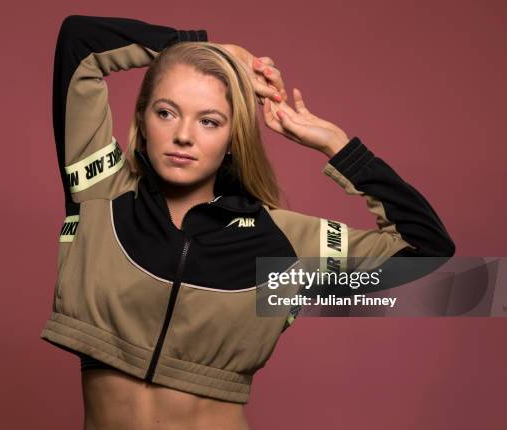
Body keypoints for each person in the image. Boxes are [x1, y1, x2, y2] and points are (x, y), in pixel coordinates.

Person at [39, 15, 455, 430]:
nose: (184, 135)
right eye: (166, 113)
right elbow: (80, 42)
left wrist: (337, 146)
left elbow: (425, 247)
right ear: (143, 122)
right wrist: (207, 49)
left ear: (233, 137)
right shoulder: (100, 192)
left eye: (209, 121)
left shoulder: (283, 244)